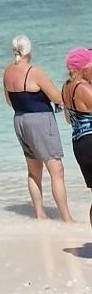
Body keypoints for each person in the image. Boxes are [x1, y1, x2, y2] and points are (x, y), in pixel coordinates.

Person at [2, 35, 72, 221]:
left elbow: (9, 101)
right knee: (56, 170)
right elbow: (57, 98)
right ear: (29, 51)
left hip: (19, 120)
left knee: (33, 170)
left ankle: (40, 214)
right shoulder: (34, 72)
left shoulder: (8, 71)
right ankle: (66, 218)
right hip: (40, 120)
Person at [61, 47, 92, 227]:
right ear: (84, 68)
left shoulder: (66, 87)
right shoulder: (84, 89)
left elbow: (68, 119)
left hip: (79, 144)